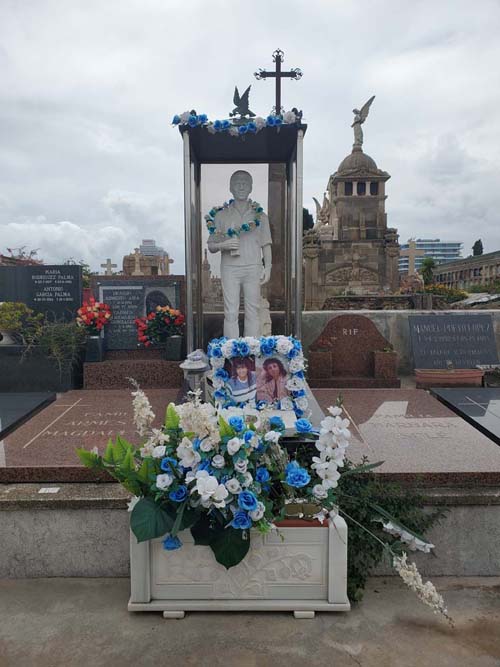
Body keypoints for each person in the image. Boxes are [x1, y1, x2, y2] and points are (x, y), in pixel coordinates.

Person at [207, 170, 272, 338]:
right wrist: (224, 244)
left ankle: (251, 353)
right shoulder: (221, 215)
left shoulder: (261, 217)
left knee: (253, 311)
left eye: (245, 183)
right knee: (230, 312)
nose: (241, 186)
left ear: (251, 188)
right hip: (230, 268)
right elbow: (212, 246)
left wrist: (268, 267)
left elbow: (266, 244)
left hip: (253, 267)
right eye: (237, 183)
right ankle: (232, 354)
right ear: (231, 187)